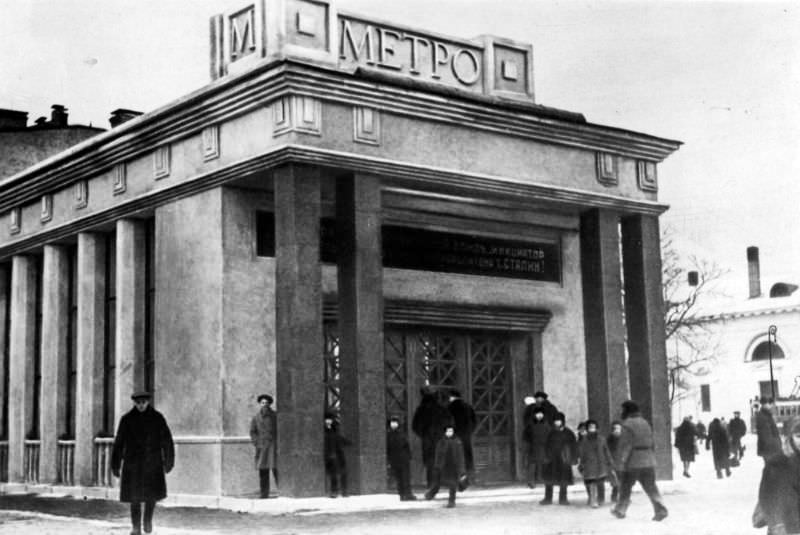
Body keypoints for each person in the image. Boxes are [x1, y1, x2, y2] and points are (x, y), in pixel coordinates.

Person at [111, 391, 174, 535]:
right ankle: (135, 527)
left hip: (153, 464)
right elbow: (119, 443)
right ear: (134, 403)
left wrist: (169, 460)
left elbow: (167, 441)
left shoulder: (157, 418)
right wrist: (115, 464)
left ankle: (147, 520)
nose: (140, 406)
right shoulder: (127, 420)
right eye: (138, 403)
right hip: (133, 465)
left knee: (151, 496)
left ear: (148, 402)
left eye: (143, 403)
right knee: (135, 497)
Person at [611, 400, 668, 522]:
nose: (621, 412)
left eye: (622, 409)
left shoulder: (627, 425)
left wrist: (621, 462)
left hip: (633, 461)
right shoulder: (645, 423)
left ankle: (620, 510)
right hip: (648, 459)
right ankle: (661, 510)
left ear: (627, 410)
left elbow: (626, 445)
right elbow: (651, 441)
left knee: (625, 486)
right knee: (651, 486)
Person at [757, 416, 800, 535]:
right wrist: (778, 526)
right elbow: (766, 498)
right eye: (798, 436)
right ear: (789, 437)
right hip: (786, 529)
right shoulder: (776, 465)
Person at [412, 387, 451, 487]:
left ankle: (431, 483)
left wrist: (423, 434)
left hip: (427, 439)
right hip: (439, 439)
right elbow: (449, 423)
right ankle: (441, 481)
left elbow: (415, 426)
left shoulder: (421, 410)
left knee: (429, 462)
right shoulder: (442, 409)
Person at [424, 423, 467, 508]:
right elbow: (438, 455)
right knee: (438, 482)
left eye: (451, 431)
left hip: (454, 466)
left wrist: (462, 469)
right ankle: (430, 494)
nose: (449, 432)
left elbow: (460, 456)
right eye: (447, 431)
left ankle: (451, 501)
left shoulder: (457, 442)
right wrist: (437, 466)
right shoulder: (441, 442)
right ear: (444, 432)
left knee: (453, 485)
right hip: (443, 466)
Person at [540, 412, 577, 506]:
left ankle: (563, 499)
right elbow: (545, 445)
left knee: (564, 480)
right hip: (551, 459)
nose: (557, 422)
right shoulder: (550, 433)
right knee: (549, 480)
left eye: (559, 420)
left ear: (562, 421)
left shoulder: (568, 433)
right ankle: (548, 498)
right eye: (555, 420)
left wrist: (573, 458)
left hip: (564, 459)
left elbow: (573, 446)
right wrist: (546, 456)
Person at [578, 419, 615, 508]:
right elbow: (582, 453)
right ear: (587, 429)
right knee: (591, 483)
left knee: (600, 483)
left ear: (597, 428)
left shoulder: (601, 439)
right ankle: (593, 500)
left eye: (594, 427)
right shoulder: (584, 440)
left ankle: (601, 499)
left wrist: (610, 462)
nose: (592, 429)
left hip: (600, 463)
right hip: (589, 464)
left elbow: (606, 451)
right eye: (590, 427)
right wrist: (582, 464)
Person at [249, 394, 277, 498]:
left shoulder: (275, 416)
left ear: (270, 404)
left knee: (277, 470)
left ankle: (282, 492)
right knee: (263, 472)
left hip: (273, 447)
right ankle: (264, 494)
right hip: (262, 448)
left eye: (266, 403)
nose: (264, 405)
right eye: (262, 403)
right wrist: (257, 443)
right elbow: (253, 432)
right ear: (260, 404)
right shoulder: (256, 418)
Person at [447, 389, 477, 477]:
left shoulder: (449, 407)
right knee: (468, 454)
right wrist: (470, 430)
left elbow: (447, 422)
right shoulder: (468, 406)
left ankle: (456, 474)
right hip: (466, 433)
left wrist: (448, 434)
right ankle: (470, 474)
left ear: (452, 397)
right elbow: (474, 420)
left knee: (454, 455)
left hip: (454, 434)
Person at [386, 415, 416, 501]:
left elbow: (406, 446)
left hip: (403, 458)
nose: (394, 424)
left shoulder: (401, 433)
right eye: (392, 422)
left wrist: (409, 456)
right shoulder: (389, 434)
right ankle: (402, 494)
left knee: (405, 477)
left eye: (395, 422)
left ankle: (407, 494)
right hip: (395, 459)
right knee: (399, 477)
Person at [522, 405, 551, 489]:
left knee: (544, 463)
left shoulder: (546, 425)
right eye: (537, 414)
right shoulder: (530, 425)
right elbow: (526, 437)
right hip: (533, 447)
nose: (539, 415)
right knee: (532, 465)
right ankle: (531, 482)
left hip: (543, 447)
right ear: (534, 415)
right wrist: (526, 446)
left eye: (541, 414)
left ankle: (542, 479)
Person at [324, 412, 350, 498]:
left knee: (343, 472)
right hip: (330, 454)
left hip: (338, 453)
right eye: (327, 419)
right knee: (333, 474)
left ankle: (344, 491)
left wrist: (347, 442)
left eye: (330, 419)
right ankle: (334, 491)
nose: (328, 421)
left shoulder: (335, 429)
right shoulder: (323, 430)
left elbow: (339, 438)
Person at [756, 397, 782, 462]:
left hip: (771, 448)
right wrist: (773, 446)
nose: (770, 405)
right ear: (764, 404)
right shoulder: (762, 416)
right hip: (769, 449)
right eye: (769, 403)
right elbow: (765, 434)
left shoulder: (767, 414)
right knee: (771, 467)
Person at [606, 421, 623, 504]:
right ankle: (614, 496)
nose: (617, 430)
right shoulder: (609, 439)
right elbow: (607, 451)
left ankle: (623, 497)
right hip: (613, 462)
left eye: (619, 428)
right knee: (615, 482)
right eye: (615, 429)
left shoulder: (624, 438)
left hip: (622, 462)